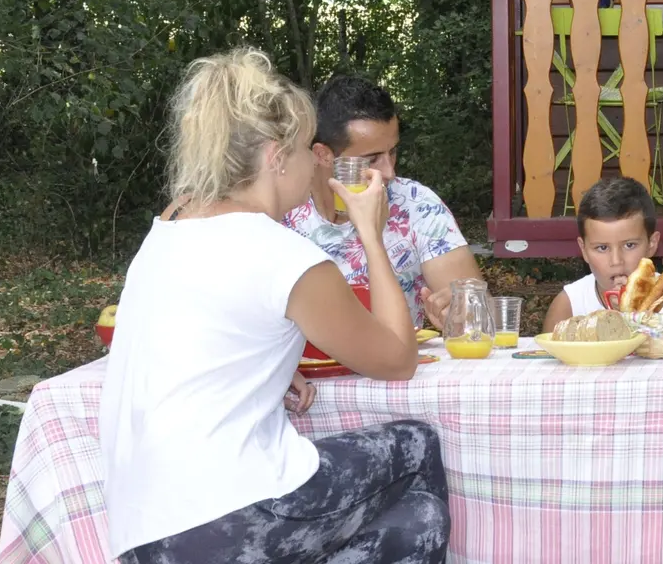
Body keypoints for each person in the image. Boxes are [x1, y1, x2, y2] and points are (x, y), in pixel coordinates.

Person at [101, 49, 448, 564]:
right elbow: (398, 360)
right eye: (306, 152)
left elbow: (205, 334)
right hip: (235, 511)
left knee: (417, 522)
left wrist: (272, 368)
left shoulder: (166, 230)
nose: (314, 163)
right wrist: (370, 235)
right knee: (417, 446)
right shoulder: (285, 253)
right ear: (275, 157)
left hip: (141, 532)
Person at [283, 75, 483, 330]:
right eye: (372, 159)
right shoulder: (285, 213)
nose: (389, 172)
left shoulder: (415, 204)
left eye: (393, 152)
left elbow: (479, 315)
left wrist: (460, 315)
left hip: (401, 366)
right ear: (323, 155)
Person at [541, 177, 661, 332]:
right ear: (584, 250)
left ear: (651, 244)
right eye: (602, 248)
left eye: (629, 245)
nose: (616, 261)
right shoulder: (569, 306)